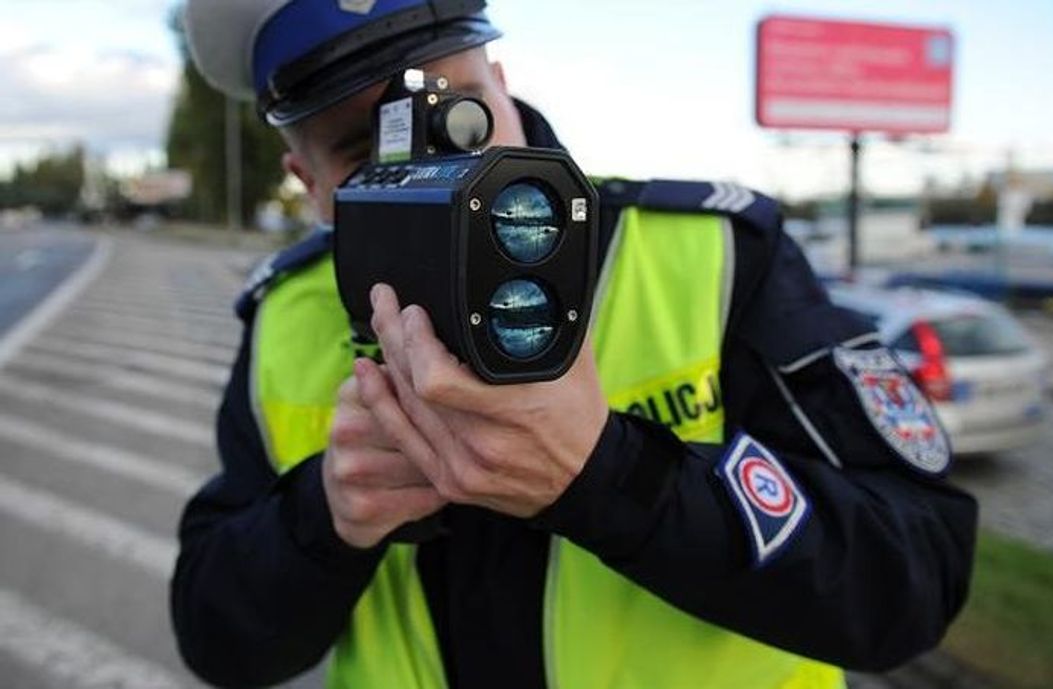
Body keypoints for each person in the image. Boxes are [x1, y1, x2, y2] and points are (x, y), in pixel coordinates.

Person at [172, 2, 978, 688]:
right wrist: (325, 515)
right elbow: (218, 637)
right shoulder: (283, 317)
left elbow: (916, 571)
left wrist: (612, 475)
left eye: (461, 116)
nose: (432, 170)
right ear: (307, 184)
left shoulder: (715, 255)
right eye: (366, 153)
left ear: (507, 96)